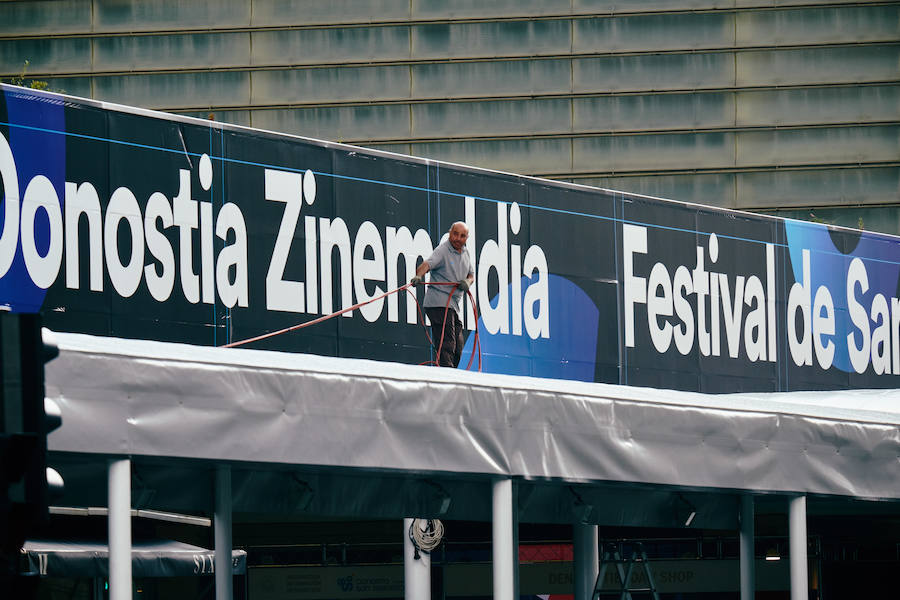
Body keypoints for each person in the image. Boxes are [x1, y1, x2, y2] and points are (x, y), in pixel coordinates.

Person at [410, 222, 475, 367]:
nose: (458, 238)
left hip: (452, 306)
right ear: (450, 232)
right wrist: (418, 276)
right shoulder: (443, 250)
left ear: (467, 238)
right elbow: (426, 265)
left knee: (458, 348)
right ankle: (447, 377)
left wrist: (467, 282)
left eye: (462, 236)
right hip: (438, 303)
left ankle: (452, 375)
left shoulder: (466, 252)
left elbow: (471, 274)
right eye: (455, 234)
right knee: (447, 344)